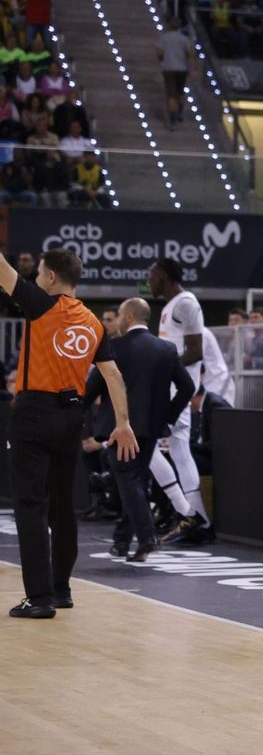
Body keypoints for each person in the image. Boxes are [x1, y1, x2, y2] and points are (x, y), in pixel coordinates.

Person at [4, 249, 137, 618]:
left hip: (33, 414)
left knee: (31, 505)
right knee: (63, 507)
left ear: (49, 277)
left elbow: (2, 270)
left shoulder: (40, 305)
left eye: (38, 273)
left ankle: (39, 598)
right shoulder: (94, 322)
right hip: (71, 417)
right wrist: (122, 423)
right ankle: (61, 590)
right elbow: (113, 375)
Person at [92, 298, 195, 562]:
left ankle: (147, 538)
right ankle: (122, 541)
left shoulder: (114, 347)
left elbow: (92, 387)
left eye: (117, 316)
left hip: (121, 429)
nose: (115, 320)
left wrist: (73, 410)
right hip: (151, 429)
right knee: (134, 484)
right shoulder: (166, 349)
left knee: (129, 483)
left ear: (127, 318)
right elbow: (187, 388)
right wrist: (168, 419)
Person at [148, 258, 213, 544]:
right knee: (178, 451)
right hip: (172, 386)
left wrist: (163, 366)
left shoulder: (186, 302)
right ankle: (196, 519)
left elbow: (196, 351)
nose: (148, 281)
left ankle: (190, 515)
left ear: (162, 275)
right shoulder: (170, 306)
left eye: (150, 275)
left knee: (146, 446)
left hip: (179, 389)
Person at [156, 18, 194, 129]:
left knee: (171, 95)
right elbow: (189, 54)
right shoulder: (185, 39)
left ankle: (172, 120)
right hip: (182, 69)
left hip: (169, 69)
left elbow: (160, 54)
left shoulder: (163, 38)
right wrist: (193, 67)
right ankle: (181, 112)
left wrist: (164, 58)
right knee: (180, 92)